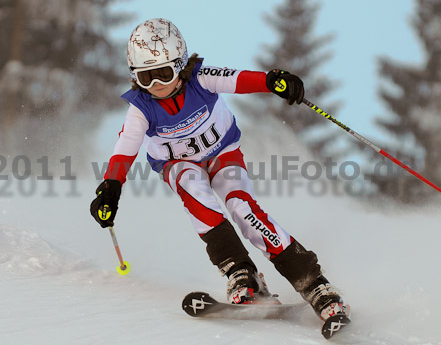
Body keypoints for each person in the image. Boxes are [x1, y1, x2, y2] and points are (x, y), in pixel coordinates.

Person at [89, 18, 349, 325]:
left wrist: (271, 81)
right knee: (193, 189)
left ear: (181, 66)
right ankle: (241, 273)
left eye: (163, 73)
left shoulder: (201, 78)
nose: (156, 84)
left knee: (243, 210)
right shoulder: (141, 108)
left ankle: (315, 286)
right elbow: (126, 147)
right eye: (146, 77)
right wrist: (111, 187)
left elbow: (238, 79)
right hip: (179, 165)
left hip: (223, 155)